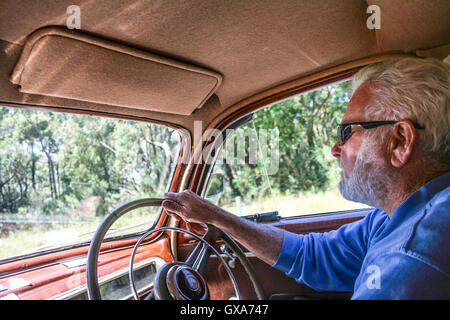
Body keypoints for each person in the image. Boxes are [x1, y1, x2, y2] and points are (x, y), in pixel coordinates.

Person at [162, 57, 450, 299]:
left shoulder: (413, 260)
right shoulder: (393, 216)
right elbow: (314, 256)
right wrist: (217, 217)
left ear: (399, 141)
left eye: (346, 133)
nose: (335, 150)